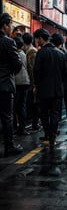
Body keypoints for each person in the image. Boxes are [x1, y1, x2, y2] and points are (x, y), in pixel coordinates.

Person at [33, 28, 67, 151]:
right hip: (58, 89)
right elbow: (65, 73)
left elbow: (36, 71)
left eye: (36, 39)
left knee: (44, 112)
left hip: (44, 89)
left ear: (41, 38)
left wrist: (36, 85)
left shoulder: (41, 53)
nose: (36, 41)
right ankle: (53, 135)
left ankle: (47, 133)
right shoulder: (60, 53)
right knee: (55, 113)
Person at [0, 12, 23, 156]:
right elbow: (17, 65)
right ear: (5, 25)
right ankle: (9, 146)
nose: (11, 28)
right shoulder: (9, 42)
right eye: (10, 25)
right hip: (4, 85)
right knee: (7, 117)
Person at [22, 32, 41, 131]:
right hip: (30, 83)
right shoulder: (29, 51)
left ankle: (35, 123)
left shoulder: (32, 51)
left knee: (34, 104)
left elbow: (33, 69)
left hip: (32, 83)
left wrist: (34, 85)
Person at [13, 36, 30, 135]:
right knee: (22, 106)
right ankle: (22, 128)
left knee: (14, 107)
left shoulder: (15, 54)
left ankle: (14, 128)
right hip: (25, 81)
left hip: (17, 81)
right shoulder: (23, 54)